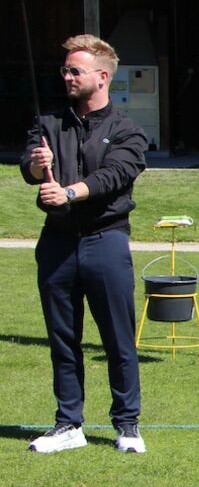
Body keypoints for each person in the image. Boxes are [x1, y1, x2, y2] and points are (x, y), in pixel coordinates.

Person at [20, 35, 148, 454]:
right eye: (65, 70)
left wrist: (70, 193)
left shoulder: (127, 131)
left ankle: (127, 424)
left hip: (105, 240)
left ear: (102, 76)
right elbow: (28, 170)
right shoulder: (47, 124)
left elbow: (114, 176)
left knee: (118, 338)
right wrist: (36, 166)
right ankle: (68, 424)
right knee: (62, 338)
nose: (67, 76)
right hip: (57, 243)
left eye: (75, 70)